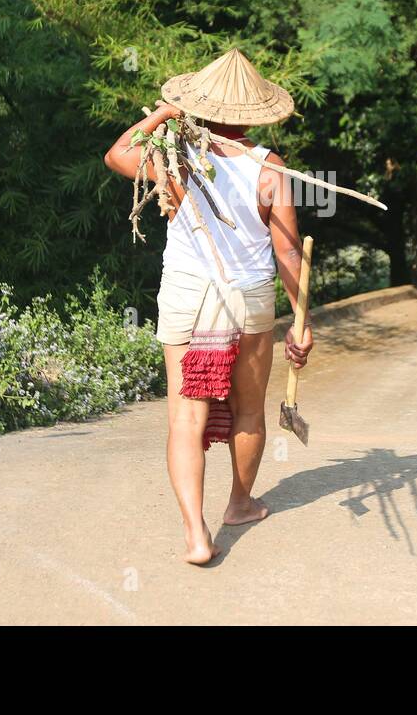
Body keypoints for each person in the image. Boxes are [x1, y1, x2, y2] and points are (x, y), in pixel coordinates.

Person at [103, 49, 314, 565]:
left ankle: (196, 535)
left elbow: (117, 155)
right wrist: (301, 321)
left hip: (187, 297)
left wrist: (161, 115)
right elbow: (287, 249)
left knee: (185, 418)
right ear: (250, 114)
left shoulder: (176, 157)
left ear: (198, 105)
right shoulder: (269, 168)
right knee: (247, 409)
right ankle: (239, 504)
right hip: (248, 301)